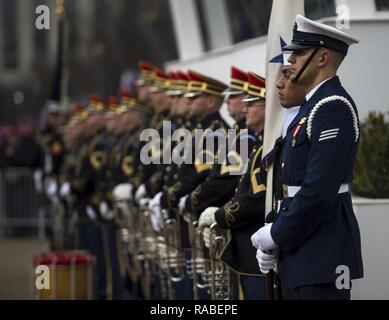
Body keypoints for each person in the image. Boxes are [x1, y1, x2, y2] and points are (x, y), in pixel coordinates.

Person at [251, 14, 364, 300]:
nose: (290, 61)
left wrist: (278, 234)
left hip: (323, 252)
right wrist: (277, 234)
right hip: (302, 247)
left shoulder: (332, 107)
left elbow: (318, 191)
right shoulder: (310, 108)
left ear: (323, 57)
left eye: (299, 53)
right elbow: (291, 182)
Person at [198, 71, 268, 299]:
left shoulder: (257, 143)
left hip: (255, 244)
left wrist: (218, 216)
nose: (245, 109)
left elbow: (254, 198)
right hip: (243, 240)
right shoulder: (252, 141)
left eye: (251, 103)